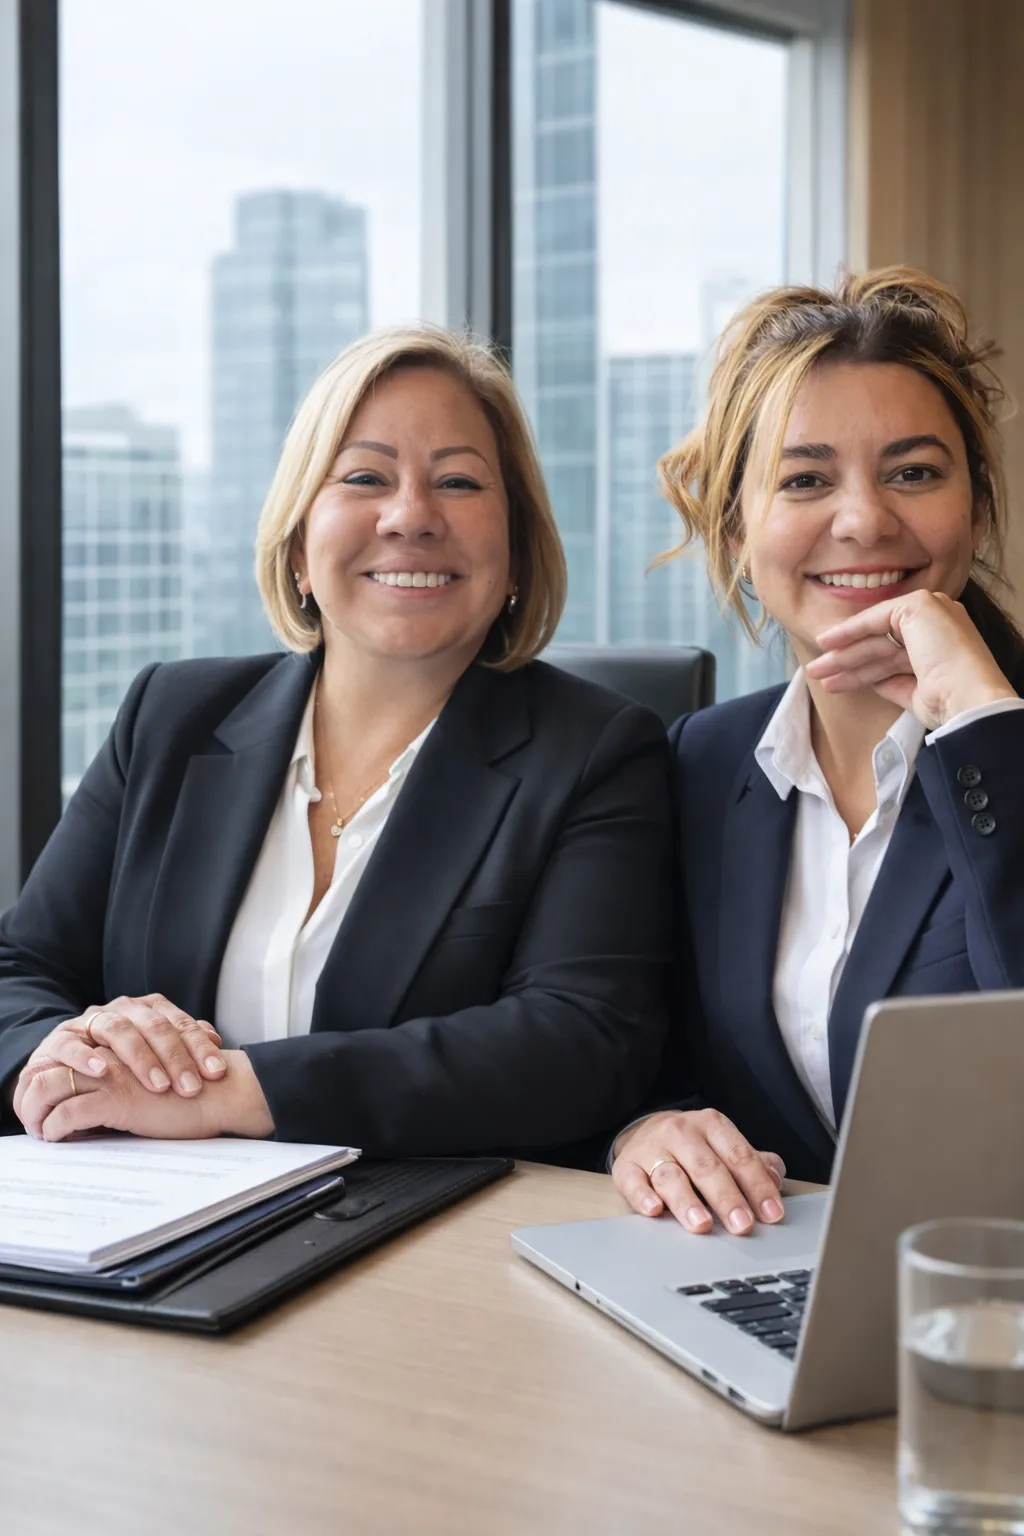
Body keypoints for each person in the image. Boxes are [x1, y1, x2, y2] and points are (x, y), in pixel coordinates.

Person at [0, 325, 673, 1155]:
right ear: (297, 547)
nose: (411, 517)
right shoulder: (169, 716)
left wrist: (234, 1091)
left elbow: (577, 1042)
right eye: (364, 476)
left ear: (517, 551)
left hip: (416, 1245)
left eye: (458, 481)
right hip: (142, 1233)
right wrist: (54, 1051)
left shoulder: (599, 753)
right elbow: (19, 969)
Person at [612, 267, 1024, 1230]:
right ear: (735, 529)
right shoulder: (700, 764)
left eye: (915, 472)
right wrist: (644, 1130)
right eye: (805, 479)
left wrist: (980, 729)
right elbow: (646, 1052)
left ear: (977, 505)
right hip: (765, 1300)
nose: (863, 520)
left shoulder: (1006, 746)